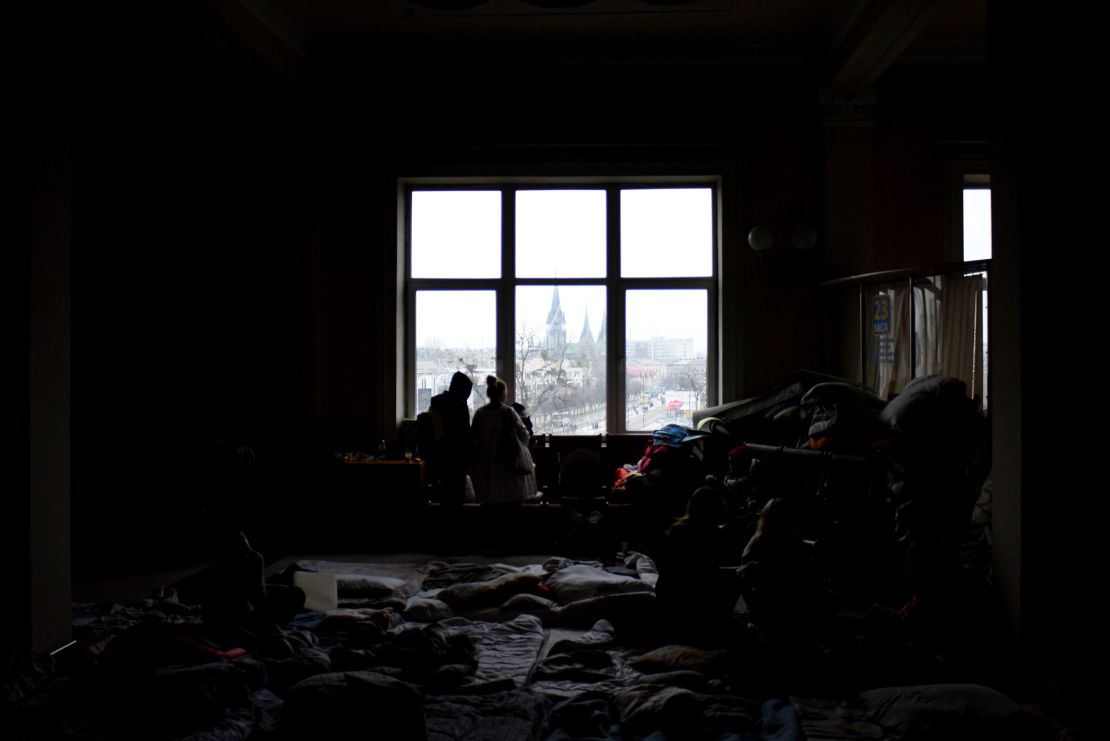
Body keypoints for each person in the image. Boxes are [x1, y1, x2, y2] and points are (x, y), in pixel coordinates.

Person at [471, 375, 536, 504]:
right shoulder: (508, 412)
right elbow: (523, 435)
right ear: (503, 394)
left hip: (484, 466)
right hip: (506, 465)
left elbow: (473, 437)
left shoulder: (479, 414)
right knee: (507, 503)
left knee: (488, 500)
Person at [427, 371, 474, 506]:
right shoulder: (460, 405)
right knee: (457, 498)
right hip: (457, 459)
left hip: (439, 457)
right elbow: (465, 433)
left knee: (445, 499)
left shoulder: (436, 402)